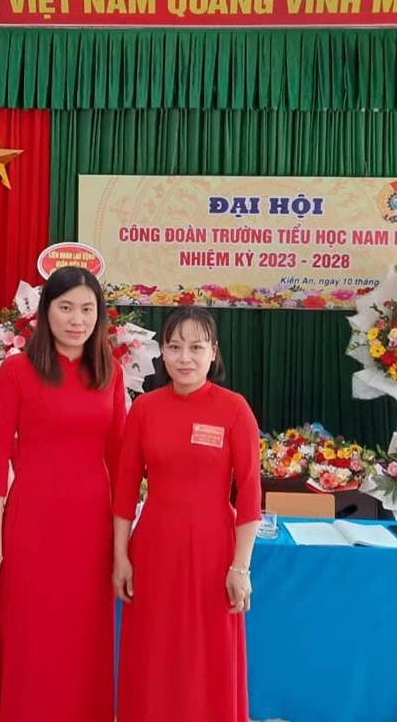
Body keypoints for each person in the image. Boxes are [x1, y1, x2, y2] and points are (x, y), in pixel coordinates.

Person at [0, 267, 126, 722]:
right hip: (33, 521)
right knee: (31, 632)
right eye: (66, 308)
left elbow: (121, 461)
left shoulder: (110, 372)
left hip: (92, 525)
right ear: (45, 312)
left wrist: (123, 543)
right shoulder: (16, 371)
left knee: (84, 636)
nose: (77, 320)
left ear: (99, 316)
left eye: (87, 309)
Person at [112, 306, 262, 722]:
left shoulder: (234, 409)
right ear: (161, 351)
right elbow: (124, 491)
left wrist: (241, 567)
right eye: (174, 347)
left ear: (214, 352)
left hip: (213, 553)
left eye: (196, 348)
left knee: (206, 654)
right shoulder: (145, 409)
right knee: (154, 652)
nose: (185, 358)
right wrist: (121, 557)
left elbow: (250, 495)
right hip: (154, 549)